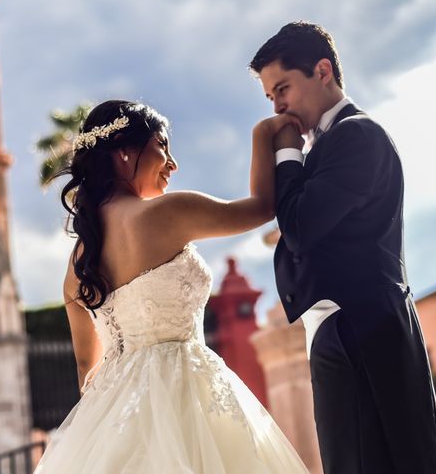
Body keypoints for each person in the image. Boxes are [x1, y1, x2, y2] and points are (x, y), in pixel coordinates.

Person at [33, 100, 309, 473]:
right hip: (190, 394)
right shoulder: (168, 213)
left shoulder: (77, 263)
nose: (172, 163)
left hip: (114, 412)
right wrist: (264, 135)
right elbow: (262, 207)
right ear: (125, 152)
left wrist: (106, 424)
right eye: (162, 146)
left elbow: (87, 367)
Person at [249, 21, 436, 473]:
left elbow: (299, 226)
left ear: (322, 71)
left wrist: (285, 153)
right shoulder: (334, 142)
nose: (278, 106)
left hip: (363, 329)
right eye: (269, 97)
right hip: (347, 329)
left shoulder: (357, 135)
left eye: (283, 88)